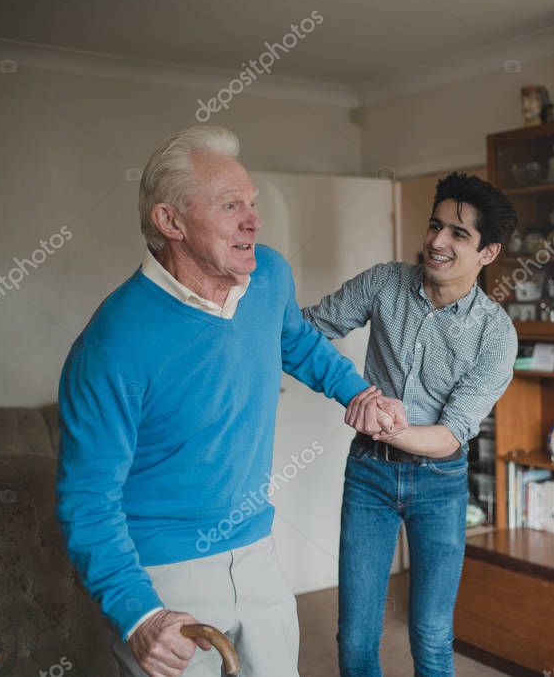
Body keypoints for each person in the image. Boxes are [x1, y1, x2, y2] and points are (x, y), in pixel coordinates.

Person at [55, 125, 404, 676]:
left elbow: (297, 341)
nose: (253, 220)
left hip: (257, 550)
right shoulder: (111, 345)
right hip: (164, 575)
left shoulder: (268, 275)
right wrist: (140, 614)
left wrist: (357, 390)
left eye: (252, 203)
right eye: (230, 205)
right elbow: (87, 500)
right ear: (171, 222)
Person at [303, 172, 519, 676]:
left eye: (458, 234)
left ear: (488, 252)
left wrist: (381, 422)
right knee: (356, 633)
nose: (437, 242)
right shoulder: (385, 282)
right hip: (369, 476)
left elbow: (449, 435)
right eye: (435, 226)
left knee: (432, 633)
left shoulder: (495, 335)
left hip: (440, 483)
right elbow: (309, 329)